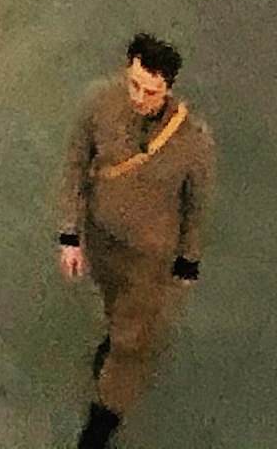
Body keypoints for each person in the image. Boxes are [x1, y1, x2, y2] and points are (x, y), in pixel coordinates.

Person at [56, 31, 214, 441]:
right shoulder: (98, 103)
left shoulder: (193, 141)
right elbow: (76, 164)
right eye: (135, 85)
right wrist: (70, 235)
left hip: (150, 257)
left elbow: (197, 204)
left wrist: (188, 257)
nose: (140, 98)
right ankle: (115, 338)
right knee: (115, 309)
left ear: (169, 89)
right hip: (102, 241)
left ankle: (102, 420)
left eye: (151, 91)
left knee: (132, 344)